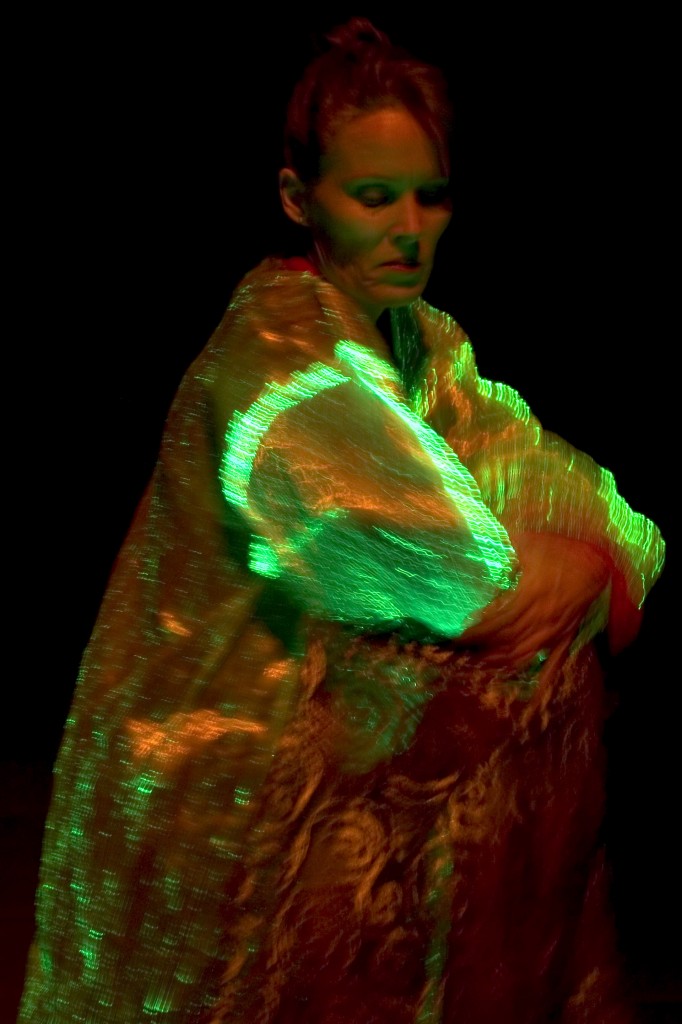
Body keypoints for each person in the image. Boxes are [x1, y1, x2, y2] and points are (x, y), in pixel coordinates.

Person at [19, 17, 665, 1024]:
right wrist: (572, 568)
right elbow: (462, 579)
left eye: (429, 196)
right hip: (227, 801)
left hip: (341, 792)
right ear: (298, 199)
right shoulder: (278, 374)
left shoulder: (423, 341)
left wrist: (595, 557)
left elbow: (574, 491)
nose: (409, 228)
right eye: (373, 198)